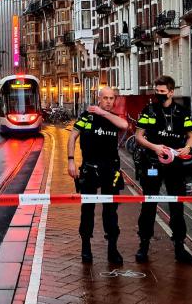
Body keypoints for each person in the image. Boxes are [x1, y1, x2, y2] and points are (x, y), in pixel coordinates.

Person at [134, 75, 192, 264]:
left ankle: (179, 246)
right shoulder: (149, 110)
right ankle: (143, 245)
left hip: (175, 164)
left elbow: (191, 137)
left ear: (171, 91)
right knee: (149, 203)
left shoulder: (182, 112)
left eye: (162, 91)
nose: (158, 94)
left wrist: (187, 148)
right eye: (157, 91)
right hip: (152, 162)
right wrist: (155, 147)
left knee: (177, 205)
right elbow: (138, 136)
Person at [67, 86, 128, 264]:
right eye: (106, 98)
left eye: (112, 98)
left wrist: (103, 113)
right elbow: (72, 137)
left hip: (111, 170)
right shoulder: (87, 117)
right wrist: (71, 160)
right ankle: (86, 246)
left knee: (111, 211)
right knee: (87, 210)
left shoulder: (114, 119)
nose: (109, 101)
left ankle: (112, 248)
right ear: (98, 98)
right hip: (90, 168)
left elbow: (124, 125)